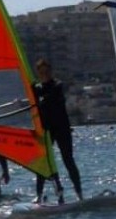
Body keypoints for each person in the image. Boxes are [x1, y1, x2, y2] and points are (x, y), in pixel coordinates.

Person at [33, 58, 83, 203]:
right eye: (42, 73)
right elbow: (32, 99)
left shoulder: (57, 85)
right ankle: (40, 196)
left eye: (47, 72)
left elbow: (51, 96)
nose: (45, 74)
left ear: (51, 71)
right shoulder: (36, 88)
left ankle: (79, 195)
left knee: (68, 160)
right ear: (38, 73)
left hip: (62, 128)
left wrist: (40, 98)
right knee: (43, 162)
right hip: (46, 130)